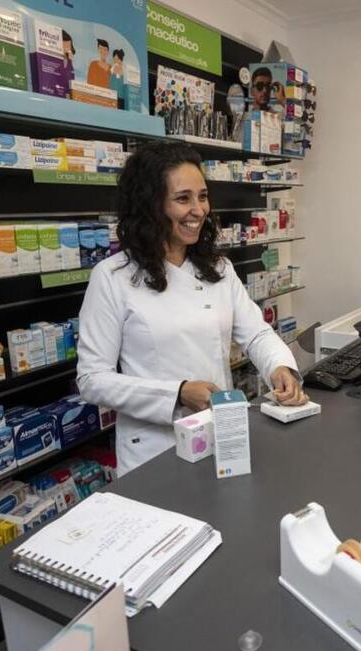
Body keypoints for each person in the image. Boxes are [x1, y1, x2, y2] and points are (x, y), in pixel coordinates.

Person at [76, 142, 307, 476]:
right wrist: (178, 393)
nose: (198, 209)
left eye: (202, 196)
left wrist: (280, 368)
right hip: (155, 449)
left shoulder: (219, 269)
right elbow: (92, 379)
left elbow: (256, 333)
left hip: (220, 434)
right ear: (150, 205)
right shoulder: (113, 278)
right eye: (183, 198)